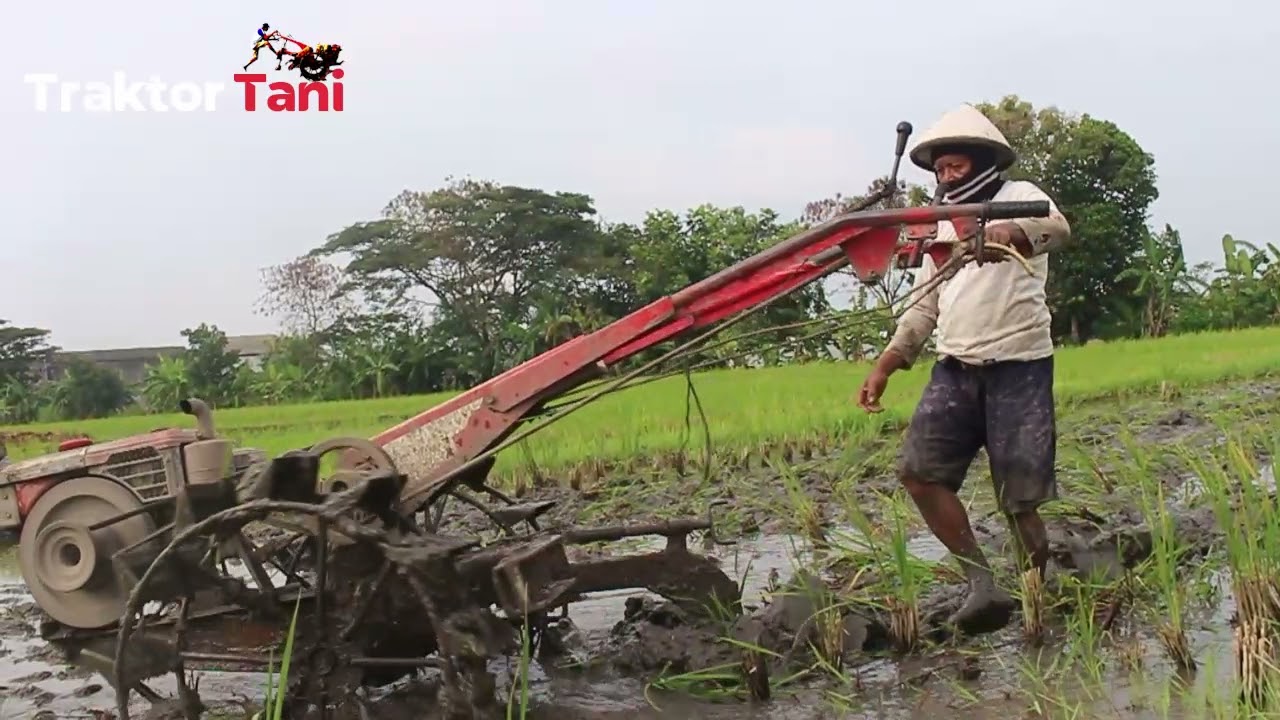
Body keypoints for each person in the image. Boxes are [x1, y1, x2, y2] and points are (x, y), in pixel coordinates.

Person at [856, 104, 1072, 636]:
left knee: (1018, 499)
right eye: (942, 170)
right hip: (955, 368)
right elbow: (924, 305)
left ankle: (1035, 598)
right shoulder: (935, 230)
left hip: (1019, 367)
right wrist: (888, 362)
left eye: (956, 167)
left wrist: (994, 239)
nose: (948, 177)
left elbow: (1054, 226)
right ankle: (981, 583)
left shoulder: (1016, 198)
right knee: (918, 472)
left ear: (979, 163)